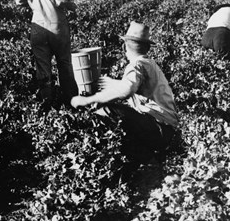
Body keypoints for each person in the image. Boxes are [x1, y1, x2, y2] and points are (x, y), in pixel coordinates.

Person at [71, 22, 179, 154]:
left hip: (160, 130)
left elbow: (127, 90)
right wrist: (113, 83)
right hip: (168, 129)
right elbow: (134, 87)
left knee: (105, 110)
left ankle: (115, 152)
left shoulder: (137, 65)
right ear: (147, 48)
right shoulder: (148, 63)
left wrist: (89, 100)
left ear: (124, 47)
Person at [15, 0, 78, 108]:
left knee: (43, 69)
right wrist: (72, 6)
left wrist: (34, 4)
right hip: (57, 28)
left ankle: (46, 104)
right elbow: (60, 0)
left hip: (37, 29)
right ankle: (71, 102)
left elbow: (18, 0)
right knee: (64, 65)